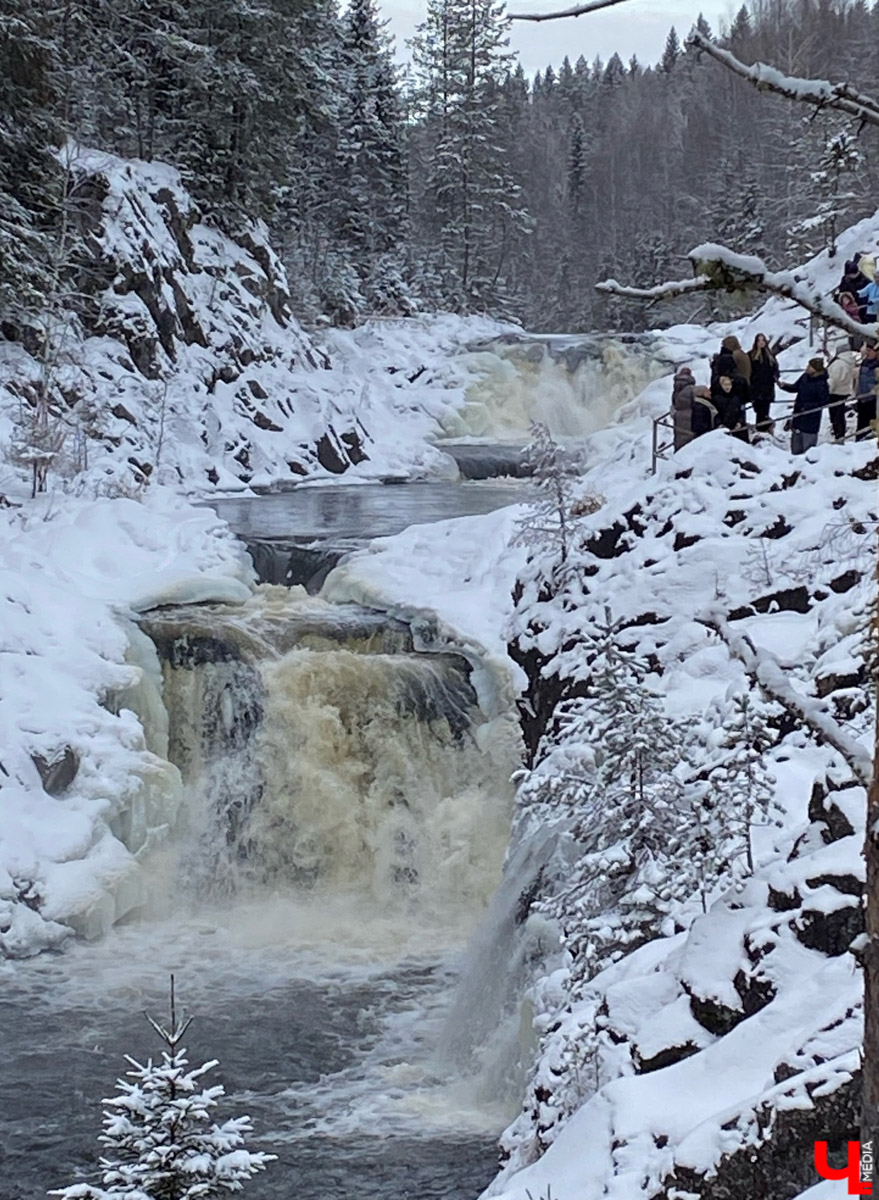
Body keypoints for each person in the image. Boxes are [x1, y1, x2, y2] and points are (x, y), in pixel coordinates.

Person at [777, 357, 829, 454]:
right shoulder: (804, 377)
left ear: (815, 369)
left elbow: (823, 402)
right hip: (798, 417)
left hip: (811, 420)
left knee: (808, 450)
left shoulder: (822, 383)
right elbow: (795, 387)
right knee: (795, 448)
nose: (807, 368)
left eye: (810, 366)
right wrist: (784, 386)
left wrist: (808, 406)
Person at [827, 341, 859, 441]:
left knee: (835, 415)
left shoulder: (839, 363)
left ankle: (839, 434)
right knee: (839, 414)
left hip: (834, 392)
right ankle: (840, 433)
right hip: (843, 391)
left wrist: (827, 390)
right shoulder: (848, 362)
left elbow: (834, 379)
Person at [748, 333, 778, 431]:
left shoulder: (770, 356)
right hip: (756, 388)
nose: (761, 343)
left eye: (763, 340)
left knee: (765, 410)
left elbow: (775, 369)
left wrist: (775, 377)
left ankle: (763, 429)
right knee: (759, 410)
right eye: (759, 341)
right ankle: (760, 428)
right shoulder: (751, 355)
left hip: (768, 388)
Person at [711, 374, 750, 442]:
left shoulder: (736, 398)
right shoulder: (715, 400)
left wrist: (740, 422)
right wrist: (719, 424)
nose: (728, 387)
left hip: (738, 429)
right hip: (723, 429)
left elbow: (742, 412)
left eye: (729, 384)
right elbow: (715, 414)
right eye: (725, 385)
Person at [855, 342, 879, 439]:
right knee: (861, 424)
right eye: (867, 350)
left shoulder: (877, 365)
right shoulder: (865, 362)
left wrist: (873, 389)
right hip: (862, 398)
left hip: (873, 400)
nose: (867, 353)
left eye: (870, 351)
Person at [671, 366, 696, 451]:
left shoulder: (676, 386)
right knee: (688, 439)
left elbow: (674, 401)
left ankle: (677, 454)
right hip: (689, 416)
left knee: (679, 437)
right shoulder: (690, 388)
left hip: (678, 416)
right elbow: (694, 401)